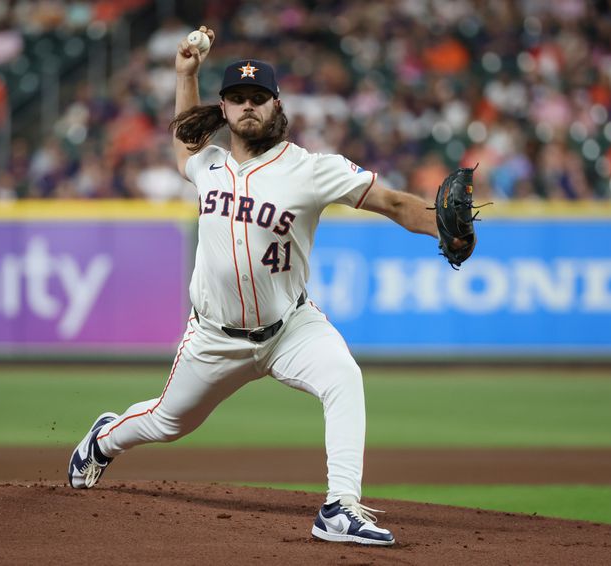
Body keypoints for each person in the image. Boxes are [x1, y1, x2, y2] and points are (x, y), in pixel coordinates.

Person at [68, 26, 462, 546]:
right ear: (225, 109)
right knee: (166, 423)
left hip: (290, 327)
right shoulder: (208, 165)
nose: (248, 106)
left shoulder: (311, 169)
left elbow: (390, 202)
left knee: (343, 375)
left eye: (258, 98)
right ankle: (103, 440)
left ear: (277, 105)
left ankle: (339, 507)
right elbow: (186, 139)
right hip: (215, 337)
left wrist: (440, 225)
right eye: (237, 99)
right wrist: (186, 74)